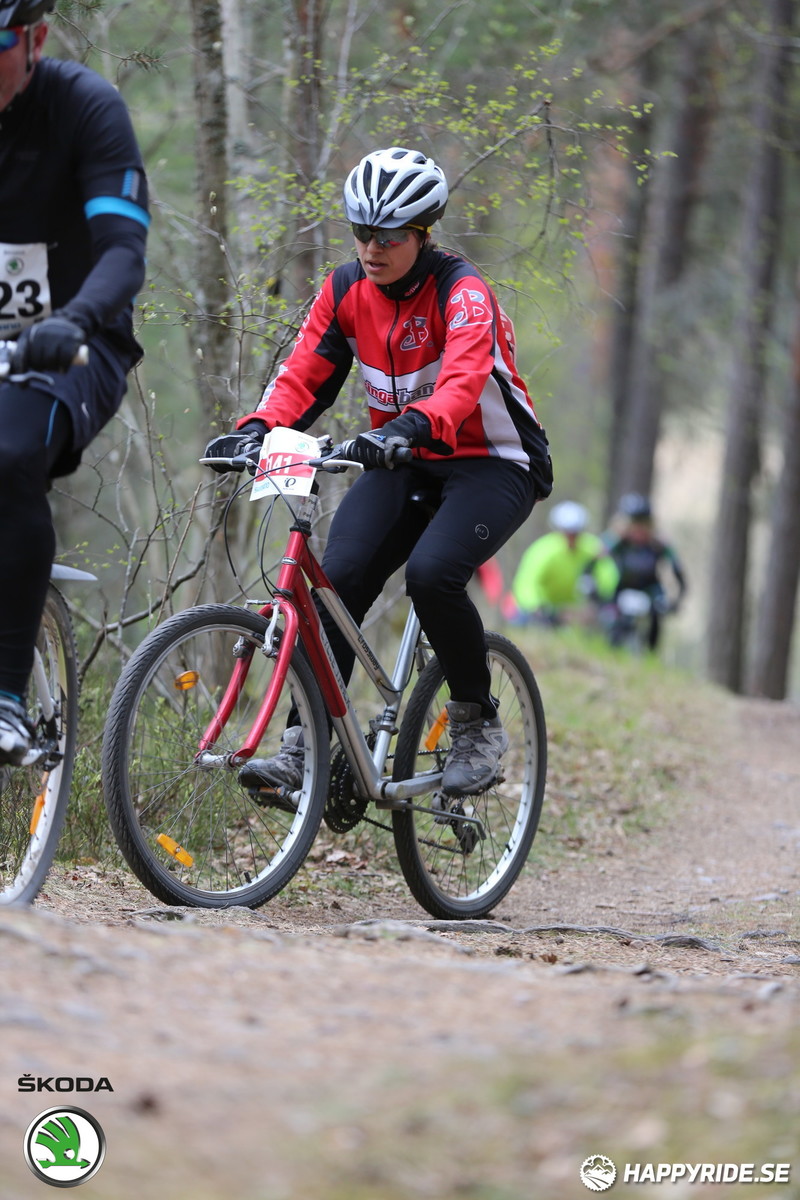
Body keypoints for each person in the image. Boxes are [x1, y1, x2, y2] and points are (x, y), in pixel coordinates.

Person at [205, 146, 553, 797]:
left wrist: (408, 427)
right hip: (403, 458)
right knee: (336, 582)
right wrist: (257, 429)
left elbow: (461, 381)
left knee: (432, 574)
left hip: (493, 462)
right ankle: (303, 744)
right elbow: (305, 373)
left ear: (423, 235)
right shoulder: (345, 291)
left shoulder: (462, 292)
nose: (372, 247)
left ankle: (476, 724)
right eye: (362, 232)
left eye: (388, 236)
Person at [0, 1, 150, 764]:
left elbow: (123, 248)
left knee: (9, 448)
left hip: (78, 345)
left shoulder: (83, 107)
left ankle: (4, 696)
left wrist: (77, 318)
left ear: (35, 39)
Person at [590, 492, 687, 650]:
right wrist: (592, 588)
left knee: (656, 614)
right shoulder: (614, 541)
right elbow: (591, 565)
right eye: (634, 523)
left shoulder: (659, 543)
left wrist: (678, 597)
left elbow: (677, 569)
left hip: (650, 589)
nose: (639, 529)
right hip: (621, 588)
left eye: (643, 523)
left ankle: (650, 654)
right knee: (614, 621)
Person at [509, 500, 613, 626]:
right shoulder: (543, 550)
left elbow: (607, 572)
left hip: (574, 611)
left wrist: (602, 594)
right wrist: (534, 606)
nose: (571, 537)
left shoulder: (592, 547)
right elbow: (526, 583)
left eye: (576, 533)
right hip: (544, 609)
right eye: (567, 532)